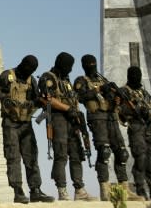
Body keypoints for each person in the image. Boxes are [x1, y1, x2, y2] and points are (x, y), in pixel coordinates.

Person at [73, 55, 143, 201]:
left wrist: (117, 98)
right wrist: (99, 89)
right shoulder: (81, 80)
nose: (92, 66)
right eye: (89, 64)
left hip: (111, 116)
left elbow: (113, 98)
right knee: (104, 152)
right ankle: (105, 189)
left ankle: (125, 189)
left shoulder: (103, 79)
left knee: (122, 153)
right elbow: (81, 97)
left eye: (93, 63)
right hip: (97, 117)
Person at [0, 55, 54, 204]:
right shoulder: (8, 76)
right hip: (11, 123)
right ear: (22, 64)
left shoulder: (31, 80)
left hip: (26, 123)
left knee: (31, 157)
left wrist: (43, 101)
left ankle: (35, 190)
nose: (29, 71)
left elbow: (36, 99)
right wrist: (4, 96)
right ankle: (18, 191)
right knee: (13, 157)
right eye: (28, 68)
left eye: (32, 70)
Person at [37, 52, 95, 202]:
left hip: (72, 121)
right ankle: (62, 190)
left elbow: (73, 99)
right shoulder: (48, 77)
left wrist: (76, 113)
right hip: (57, 118)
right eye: (67, 66)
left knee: (76, 154)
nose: (69, 70)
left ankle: (80, 190)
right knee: (61, 154)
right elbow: (46, 98)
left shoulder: (66, 80)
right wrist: (67, 109)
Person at [118, 66, 151, 201]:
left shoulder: (143, 92)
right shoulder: (124, 92)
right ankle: (140, 188)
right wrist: (138, 109)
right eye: (134, 75)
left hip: (148, 128)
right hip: (136, 127)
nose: (137, 77)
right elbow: (121, 110)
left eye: (138, 75)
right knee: (141, 158)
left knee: (150, 159)